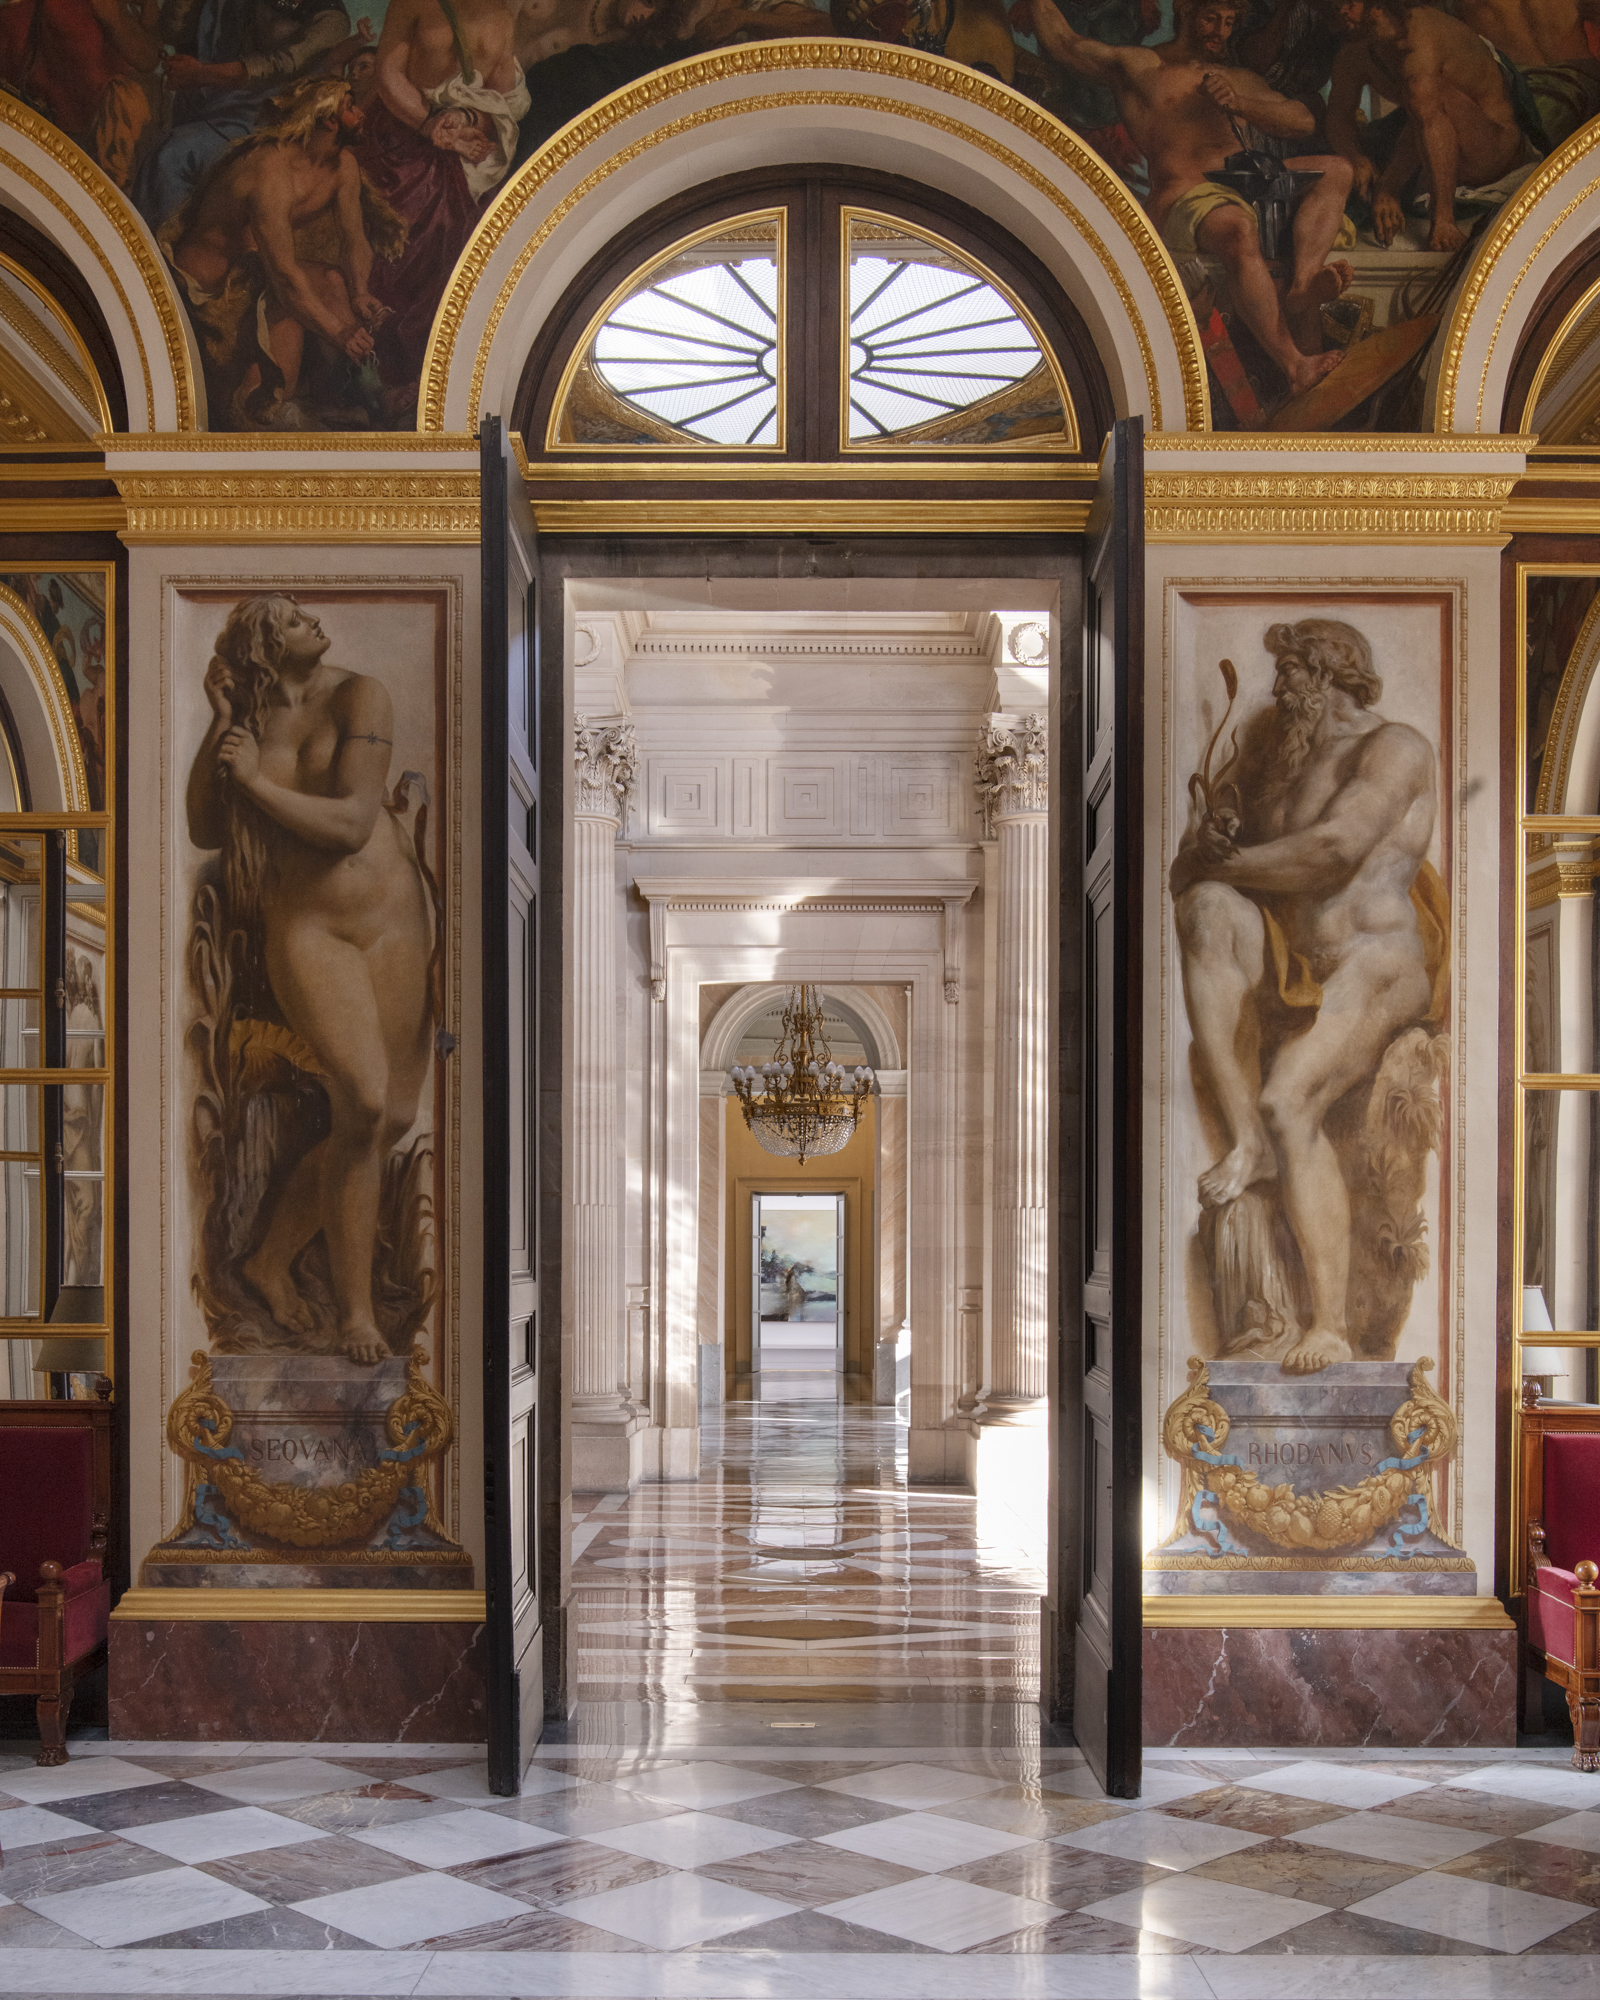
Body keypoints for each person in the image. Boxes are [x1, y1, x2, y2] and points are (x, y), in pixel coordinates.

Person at [1169, 620, 1437, 1374]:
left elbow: (1334, 850)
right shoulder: (1276, 761)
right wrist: (1213, 843)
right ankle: (1247, 1142)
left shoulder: (1393, 748)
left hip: (1374, 961)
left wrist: (1229, 862)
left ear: (1330, 674)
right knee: (1207, 909)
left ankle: (1330, 1326)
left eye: (1292, 671)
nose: (1281, 687)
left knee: (1290, 1101)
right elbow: (1195, 872)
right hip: (1297, 963)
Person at [185, 595, 433, 1365]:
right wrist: (221, 722)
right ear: (266, 645)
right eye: (292, 621)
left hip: (394, 920)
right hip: (308, 929)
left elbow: (353, 824)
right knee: (362, 1098)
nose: (312, 624)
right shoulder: (249, 724)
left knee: (390, 1116)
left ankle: (269, 1259)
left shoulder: (360, 695)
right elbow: (203, 826)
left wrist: (256, 783)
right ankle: (356, 1313)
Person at [1033, 0, 1351, 398]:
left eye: (1229, 22)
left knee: (1336, 170)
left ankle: (1302, 286)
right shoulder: (1142, 67)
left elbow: (1302, 121)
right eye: (1211, 18)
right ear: (1185, 12)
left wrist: (1240, 103)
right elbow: (1064, 43)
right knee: (1236, 227)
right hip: (1185, 194)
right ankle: (1294, 365)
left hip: (1243, 181)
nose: (1221, 31)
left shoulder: (1236, 77)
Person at [162, 75, 392, 429]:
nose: (361, 113)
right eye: (350, 106)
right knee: (287, 300)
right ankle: (266, 403)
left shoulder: (343, 166)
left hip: (253, 268)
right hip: (209, 285)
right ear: (329, 120)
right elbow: (284, 276)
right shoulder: (271, 171)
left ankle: (349, 395)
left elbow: (355, 240)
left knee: (332, 280)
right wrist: (339, 332)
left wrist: (360, 292)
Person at [357, 0, 529, 420]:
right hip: (400, 142)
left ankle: (428, 377)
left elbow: (506, 101)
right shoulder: (414, 3)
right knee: (396, 249)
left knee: (460, 252)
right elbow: (388, 75)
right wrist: (429, 124)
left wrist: (467, 119)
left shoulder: (503, 16)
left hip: (463, 152)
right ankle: (382, 375)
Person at [1325, 0, 1529, 253]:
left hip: (1492, 153)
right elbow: (1338, 115)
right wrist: (1356, 157)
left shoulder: (1421, 35)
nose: (1340, 11)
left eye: (1348, 3)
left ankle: (1444, 220)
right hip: (1430, 148)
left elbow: (1426, 114)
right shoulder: (1355, 51)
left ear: (1376, 6)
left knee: (1422, 95)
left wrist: (1388, 187)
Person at [132, 0, 356, 230]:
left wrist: (201, 73)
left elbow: (280, 65)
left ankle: (157, 247)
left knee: (171, 158)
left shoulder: (331, 17)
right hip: (199, 103)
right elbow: (174, 32)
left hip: (261, 120)